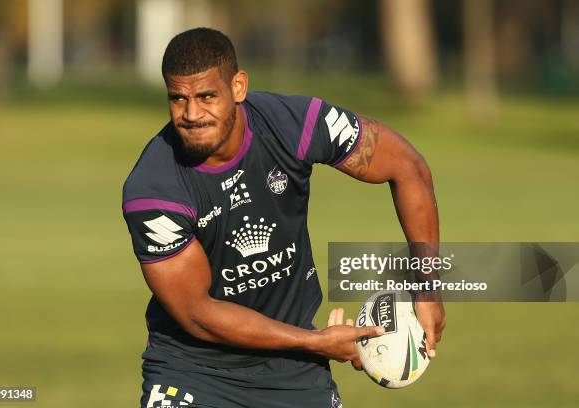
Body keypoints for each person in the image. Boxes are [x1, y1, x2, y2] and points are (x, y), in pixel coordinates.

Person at [122, 27, 445, 408]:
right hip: (193, 371)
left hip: (296, 374)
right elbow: (197, 314)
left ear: (238, 87)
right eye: (178, 99)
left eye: (207, 96)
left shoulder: (294, 124)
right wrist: (316, 341)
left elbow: (407, 167)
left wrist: (428, 285)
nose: (192, 114)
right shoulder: (154, 191)